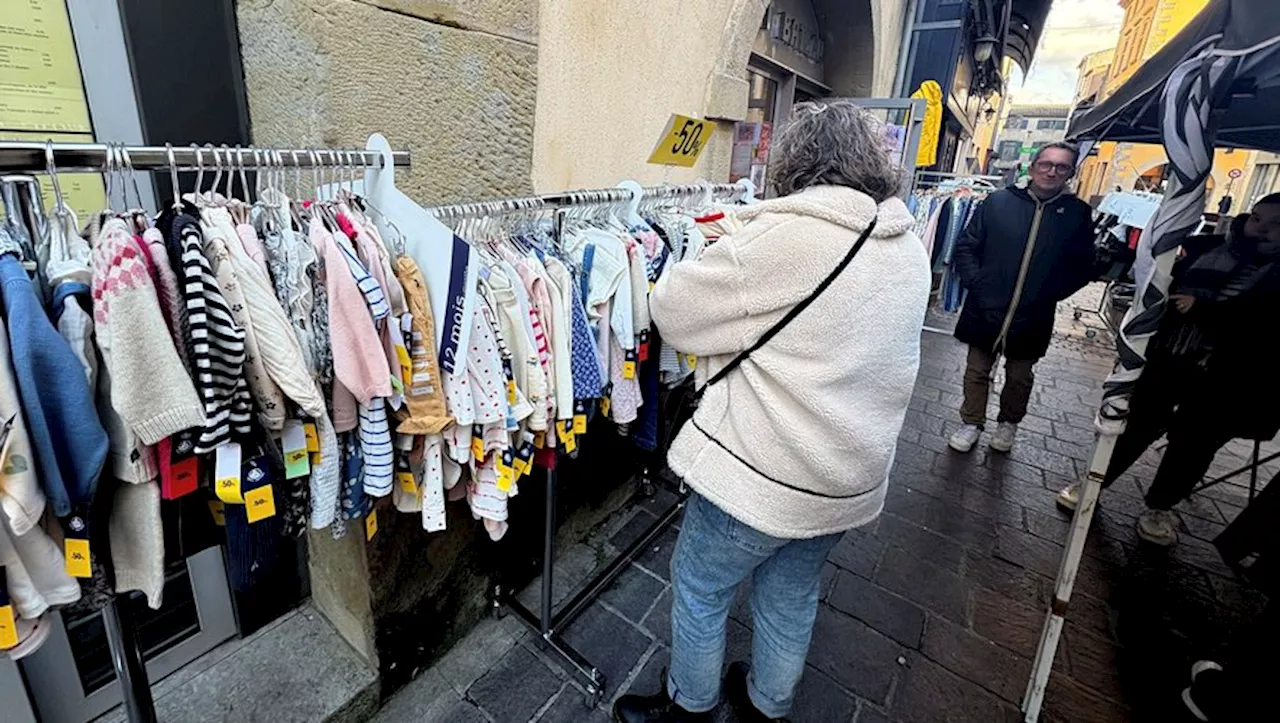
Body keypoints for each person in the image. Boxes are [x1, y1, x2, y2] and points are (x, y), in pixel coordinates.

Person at [613, 101, 930, 722]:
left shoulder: (787, 238)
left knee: (702, 587)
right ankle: (766, 707)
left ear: (794, 162)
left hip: (765, 470)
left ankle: (691, 707)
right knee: (791, 594)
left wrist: (727, 245)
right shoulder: (905, 242)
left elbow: (673, 311)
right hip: (847, 474)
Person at [1057, 195, 1280, 546]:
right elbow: (1158, 290)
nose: (1263, 229)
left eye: (1275, 224)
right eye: (1257, 218)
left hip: (1229, 376)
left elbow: (1263, 325)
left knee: (1194, 446)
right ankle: (1094, 482)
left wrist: (1204, 310)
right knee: (1134, 427)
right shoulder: (1201, 247)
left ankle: (1160, 507)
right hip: (1171, 358)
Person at [947, 142, 1098, 454]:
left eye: (1061, 167)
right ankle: (971, 422)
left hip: (1033, 313)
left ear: (1070, 172)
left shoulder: (1076, 214)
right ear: (1033, 166)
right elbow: (966, 245)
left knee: (1019, 375)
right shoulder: (998, 202)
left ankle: (1008, 424)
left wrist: (1050, 292)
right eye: (1046, 164)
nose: (1051, 171)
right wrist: (978, 283)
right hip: (986, 305)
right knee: (977, 370)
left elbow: (1083, 265)